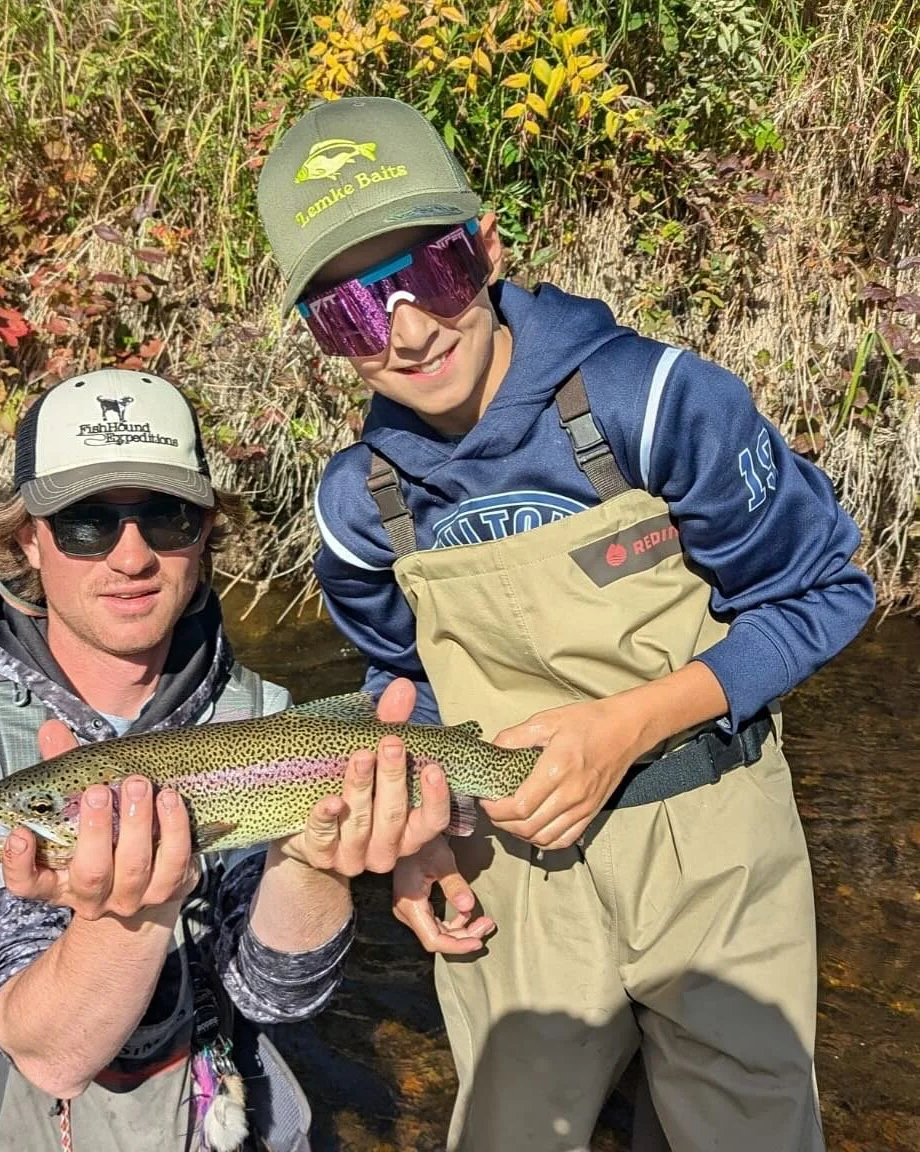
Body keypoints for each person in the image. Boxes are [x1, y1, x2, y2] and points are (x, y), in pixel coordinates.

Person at [256, 96, 874, 1151]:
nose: (405, 329)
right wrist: (419, 843)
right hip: (505, 872)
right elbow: (398, 694)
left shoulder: (659, 402)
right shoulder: (359, 506)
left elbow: (826, 592)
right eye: (351, 311)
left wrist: (626, 727)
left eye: (431, 272)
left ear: (489, 246)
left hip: (716, 846)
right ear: (323, 337)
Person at [0, 367, 460, 1152]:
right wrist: (127, 915)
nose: (132, 556)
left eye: (166, 517)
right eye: (86, 523)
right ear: (27, 541)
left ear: (206, 530)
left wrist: (314, 864)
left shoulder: (267, 719)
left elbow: (275, 998)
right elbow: (51, 1053)